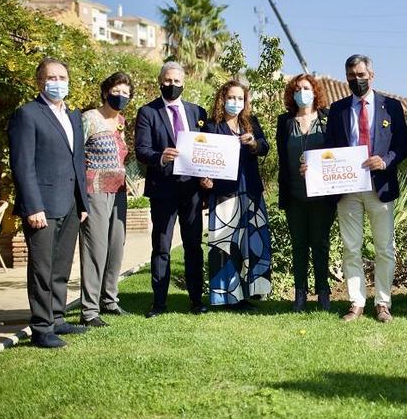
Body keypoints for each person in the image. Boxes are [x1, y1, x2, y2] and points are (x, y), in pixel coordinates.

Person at [9, 57, 90, 348]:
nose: (58, 83)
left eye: (62, 77)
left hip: (69, 204)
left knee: (60, 267)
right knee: (42, 269)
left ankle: (57, 317)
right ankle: (41, 328)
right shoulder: (27, 115)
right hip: (42, 206)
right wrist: (33, 207)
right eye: (51, 77)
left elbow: (77, 162)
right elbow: (22, 165)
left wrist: (82, 203)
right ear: (39, 81)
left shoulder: (72, 117)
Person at [323, 55, 407, 322]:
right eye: (351, 75)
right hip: (347, 189)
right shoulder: (337, 109)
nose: (356, 80)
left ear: (372, 75)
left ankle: (383, 303)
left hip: (380, 187)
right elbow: (329, 148)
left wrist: (385, 161)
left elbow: (402, 146)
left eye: (361, 75)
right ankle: (356, 302)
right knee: (351, 248)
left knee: (384, 248)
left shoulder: (391, 107)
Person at [134, 61, 208, 318]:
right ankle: (159, 302)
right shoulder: (147, 112)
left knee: (193, 246)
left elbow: (206, 150)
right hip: (163, 189)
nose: (172, 85)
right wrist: (160, 156)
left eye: (177, 82)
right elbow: (141, 151)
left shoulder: (197, 112)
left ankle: (197, 301)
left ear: (183, 83)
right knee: (162, 246)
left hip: (191, 191)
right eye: (167, 81)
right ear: (160, 81)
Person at [200, 80, 272, 310]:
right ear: (223, 99)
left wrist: (253, 143)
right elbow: (203, 156)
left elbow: (265, 147)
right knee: (224, 242)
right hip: (224, 191)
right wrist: (205, 178)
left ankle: (249, 293)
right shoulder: (212, 125)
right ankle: (225, 296)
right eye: (231, 97)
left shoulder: (250, 123)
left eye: (240, 98)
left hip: (250, 190)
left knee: (251, 242)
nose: (235, 102)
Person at [78, 72, 134, 328]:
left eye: (125, 93)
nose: (120, 96)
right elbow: (76, 156)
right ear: (105, 91)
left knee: (115, 246)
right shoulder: (89, 118)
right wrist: (79, 197)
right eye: (116, 91)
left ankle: (109, 299)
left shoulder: (121, 121)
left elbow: (123, 159)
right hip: (95, 190)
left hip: (119, 191)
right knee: (95, 249)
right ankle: (89, 310)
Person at [277, 74, 334, 312]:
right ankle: (300, 294)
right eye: (298, 88)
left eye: (306, 88)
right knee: (299, 245)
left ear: (315, 91)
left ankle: (323, 294)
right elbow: (281, 155)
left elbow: (335, 154)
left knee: (320, 244)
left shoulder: (327, 119)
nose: (302, 92)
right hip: (294, 194)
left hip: (322, 195)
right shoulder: (285, 122)